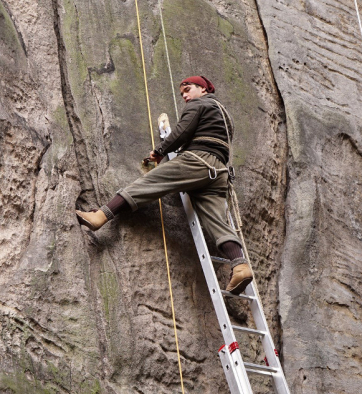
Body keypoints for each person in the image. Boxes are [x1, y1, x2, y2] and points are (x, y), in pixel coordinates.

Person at [75, 76, 253, 295]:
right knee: (216, 221)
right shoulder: (225, 115)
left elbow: (182, 131)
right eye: (182, 94)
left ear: (204, 89)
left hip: (197, 161)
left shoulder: (200, 104)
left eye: (188, 90)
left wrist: (159, 151)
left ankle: (100, 216)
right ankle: (241, 267)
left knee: (150, 182)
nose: (185, 96)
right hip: (219, 173)